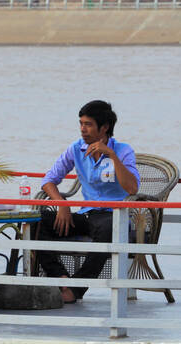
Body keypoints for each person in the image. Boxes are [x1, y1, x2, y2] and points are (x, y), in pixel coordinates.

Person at [34, 100, 139, 303]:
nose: (83, 129)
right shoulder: (76, 148)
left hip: (113, 215)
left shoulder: (124, 150)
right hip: (86, 214)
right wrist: (62, 206)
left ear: (105, 127)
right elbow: (48, 181)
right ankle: (62, 278)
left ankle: (76, 289)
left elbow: (132, 188)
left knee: (110, 230)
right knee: (37, 221)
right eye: (81, 123)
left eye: (88, 124)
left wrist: (112, 156)